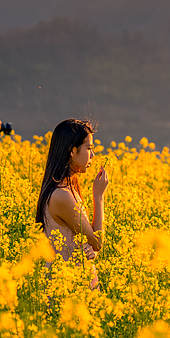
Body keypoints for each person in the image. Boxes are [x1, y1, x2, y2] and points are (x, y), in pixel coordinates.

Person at [35, 119, 109, 290]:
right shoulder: (62, 195)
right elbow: (97, 241)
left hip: (73, 282)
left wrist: (92, 251)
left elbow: (89, 242)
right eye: (89, 148)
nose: (92, 155)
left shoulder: (68, 188)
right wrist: (99, 196)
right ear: (72, 151)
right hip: (67, 287)